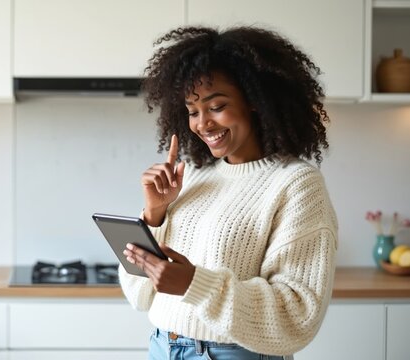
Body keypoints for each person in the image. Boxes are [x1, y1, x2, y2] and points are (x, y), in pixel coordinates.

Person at [119, 26, 338, 360]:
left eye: (216, 106)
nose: (203, 123)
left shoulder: (295, 183)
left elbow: (297, 314)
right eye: (193, 111)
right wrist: (154, 214)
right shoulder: (192, 176)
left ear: (254, 101)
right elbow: (139, 294)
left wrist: (195, 284)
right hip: (163, 346)